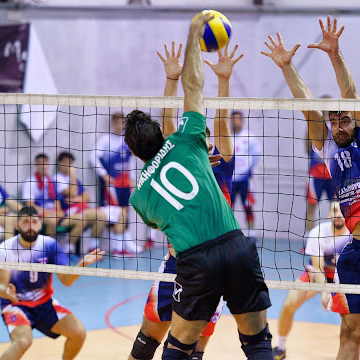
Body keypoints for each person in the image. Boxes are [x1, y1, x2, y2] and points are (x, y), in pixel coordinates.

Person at [126, 13, 272, 360]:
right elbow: (172, 121)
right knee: (152, 340)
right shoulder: (187, 143)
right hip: (194, 259)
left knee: (188, 347)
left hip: (196, 261)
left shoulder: (211, 160)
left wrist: (221, 81)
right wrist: (175, 76)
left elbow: (215, 122)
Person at [263, 17, 360, 360]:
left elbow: (351, 94)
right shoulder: (329, 147)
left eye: (345, 119)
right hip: (356, 252)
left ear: (354, 120)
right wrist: (287, 68)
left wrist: (335, 54)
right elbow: (307, 105)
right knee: (348, 332)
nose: (338, 124)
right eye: (334, 120)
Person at [0, 206, 103, 360]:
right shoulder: (4, 250)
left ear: (40, 224)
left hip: (44, 303)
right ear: (16, 225)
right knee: (23, 342)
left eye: (34, 222)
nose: (30, 226)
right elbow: (0, 286)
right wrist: (6, 292)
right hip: (15, 304)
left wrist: (81, 265)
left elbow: (66, 280)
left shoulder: (50, 245)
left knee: (79, 333)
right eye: (25, 222)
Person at [272, 201, 351, 360]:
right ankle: (280, 348)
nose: (338, 214)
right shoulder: (318, 232)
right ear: (329, 214)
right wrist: (325, 291)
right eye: (335, 210)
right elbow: (317, 268)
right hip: (317, 274)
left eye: (342, 211)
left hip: (345, 277)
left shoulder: (354, 235)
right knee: (289, 304)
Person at [90, 111, 138, 245]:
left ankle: (126, 242)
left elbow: (131, 161)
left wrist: (132, 179)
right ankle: (113, 245)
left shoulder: (128, 140)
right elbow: (92, 157)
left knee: (125, 211)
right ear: (112, 123)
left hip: (124, 183)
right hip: (111, 183)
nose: (119, 125)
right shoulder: (105, 139)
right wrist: (103, 174)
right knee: (111, 212)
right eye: (117, 122)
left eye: (122, 122)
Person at [54, 151, 109, 254]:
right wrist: (72, 175)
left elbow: (87, 197)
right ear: (59, 163)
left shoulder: (75, 180)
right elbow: (73, 192)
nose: (68, 166)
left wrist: (77, 199)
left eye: (70, 163)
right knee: (92, 216)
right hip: (68, 213)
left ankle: (93, 247)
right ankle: (68, 248)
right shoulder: (58, 178)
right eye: (65, 162)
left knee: (102, 216)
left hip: (81, 208)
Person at [304, 96, 335, 233]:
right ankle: (309, 240)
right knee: (311, 207)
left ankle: (335, 240)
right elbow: (307, 147)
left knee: (336, 207)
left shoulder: (336, 126)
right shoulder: (312, 125)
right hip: (315, 173)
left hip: (333, 174)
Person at [230, 110, 262, 241]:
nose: (235, 122)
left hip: (245, 179)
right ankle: (228, 234)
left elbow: (256, 155)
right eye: (233, 119)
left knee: (248, 206)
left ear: (242, 121)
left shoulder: (249, 137)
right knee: (227, 209)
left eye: (238, 119)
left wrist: (247, 169)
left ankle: (252, 234)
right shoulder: (226, 137)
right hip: (229, 180)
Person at [20, 153, 64, 240]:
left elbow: (56, 200)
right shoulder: (30, 182)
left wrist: (59, 212)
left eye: (45, 163)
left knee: (78, 220)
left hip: (52, 213)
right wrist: (46, 212)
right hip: (38, 215)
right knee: (51, 220)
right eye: (40, 163)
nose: (43, 166)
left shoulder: (51, 181)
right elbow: (29, 205)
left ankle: (70, 247)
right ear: (36, 165)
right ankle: (49, 249)